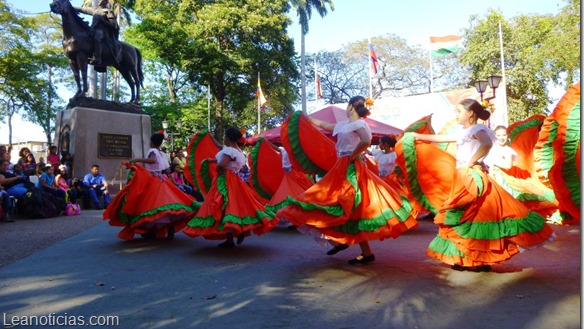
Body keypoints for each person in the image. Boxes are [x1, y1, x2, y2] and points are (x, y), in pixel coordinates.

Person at [409, 99, 555, 272]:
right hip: (466, 174)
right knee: (469, 217)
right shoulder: (465, 131)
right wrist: (418, 136)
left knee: (475, 216)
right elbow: (441, 137)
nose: (456, 114)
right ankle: (468, 259)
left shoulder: (478, 129)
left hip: (472, 175)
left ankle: (478, 260)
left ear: (470, 113)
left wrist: (471, 162)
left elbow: (486, 143)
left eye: (459, 111)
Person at [269, 96, 417, 265]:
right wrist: (307, 118)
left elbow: (366, 141)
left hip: (352, 167)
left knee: (348, 206)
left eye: (347, 106)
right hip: (342, 165)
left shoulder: (360, 124)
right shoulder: (343, 125)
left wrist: (352, 155)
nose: (346, 109)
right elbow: (324, 125)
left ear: (351, 106)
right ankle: (354, 248)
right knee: (343, 206)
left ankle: (350, 246)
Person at [183, 127, 278, 248]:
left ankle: (230, 239)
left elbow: (222, 164)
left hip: (226, 180)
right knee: (237, 206)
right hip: (236, 180)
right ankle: (237, 232)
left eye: (225, 136)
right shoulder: (237, 150)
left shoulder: (229, 151)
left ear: (227, 137)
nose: (224, 139)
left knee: (224, 206)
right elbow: (222, 151)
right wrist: (211, 141)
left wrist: (215, 167)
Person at [104, 133, 198, 240]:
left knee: (150, 204)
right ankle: (168, 226)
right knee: (166, 203)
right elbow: (167, 169)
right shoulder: (162, 153)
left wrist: (137, 160)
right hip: (162, 179)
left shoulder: (152, 151)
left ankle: (152, 230)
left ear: (152, 142)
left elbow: (152, 161)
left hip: (153, 180)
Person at [74, 0, 120, 66]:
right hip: (92, 29)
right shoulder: (95, 10)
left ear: (105, 2)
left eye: (100, 0)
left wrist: (103, 21)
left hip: (102, 31)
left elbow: (114, 25)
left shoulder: (108, 12)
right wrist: (70, 6)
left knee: (96, 38)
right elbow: (82, 9)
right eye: (99, 0)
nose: (98, 1)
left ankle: (97, 58)